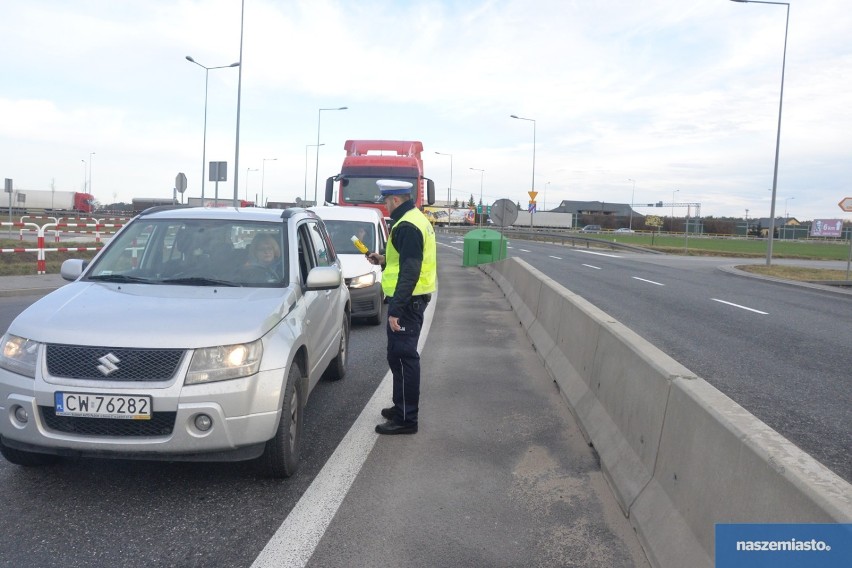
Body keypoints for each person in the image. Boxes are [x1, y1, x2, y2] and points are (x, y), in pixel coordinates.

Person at [367, 179, 437, 435]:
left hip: (408, 302)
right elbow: (404, 260)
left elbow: (410, 270)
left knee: (405, 358)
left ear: (395, 199)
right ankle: (400, 407)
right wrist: (383, 259)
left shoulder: (407, 225)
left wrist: (395, 309)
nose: (385, 205)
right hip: (410, 299)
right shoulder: (413, 219)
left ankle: (407, 419)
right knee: (396, 356)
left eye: (385, 200)